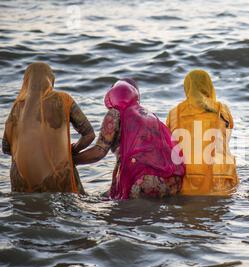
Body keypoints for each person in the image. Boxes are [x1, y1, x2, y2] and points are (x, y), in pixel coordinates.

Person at [73, 79, 185, 199]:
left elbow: (99, 151)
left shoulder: (114, 114)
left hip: (140, 181)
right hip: (170, 181)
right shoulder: (148, 115)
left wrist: (72, 160)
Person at [2, 62, 94, 193]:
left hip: (22, 180)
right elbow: (89, 134)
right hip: (57, 176)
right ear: (51, 80)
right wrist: (71, 151)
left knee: (27, 212)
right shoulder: (64, 99)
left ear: (26, 82)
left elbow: (6, 148)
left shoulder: (17, 107)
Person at [166, 70, 238, 195]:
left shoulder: (174, 113)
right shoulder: (222, 109)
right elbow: (227, 134)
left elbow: (168, 143)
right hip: (220, 181)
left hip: (185, 182)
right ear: (209, 86)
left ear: (187, 87)